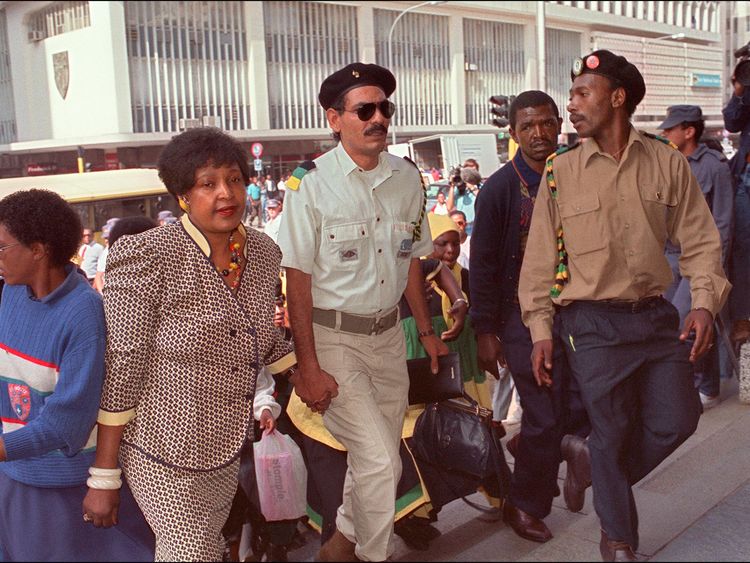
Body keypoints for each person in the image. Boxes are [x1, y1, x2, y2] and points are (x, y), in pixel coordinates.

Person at [519, 50, 730, 561]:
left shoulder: (665, 160)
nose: (571, 105)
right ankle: (619, 541)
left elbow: (701, 242)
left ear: (617, 98)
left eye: (582, 93)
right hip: (590, 323)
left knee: (678, 421)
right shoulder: (559, 172)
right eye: (571, 94)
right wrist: (541, 331)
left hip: (656, 318)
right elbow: (541, 260)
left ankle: (590, 463)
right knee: (610, 430)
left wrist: (703, 304)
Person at [82, 127, 297, 561]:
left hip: (226, 448)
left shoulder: (262, 252)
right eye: (208, 183)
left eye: (234, 179)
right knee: (190, 553)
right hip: (160, 449)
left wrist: (303, 372)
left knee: (208, 550)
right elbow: (125, 365)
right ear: (183, 195)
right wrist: (104, 475)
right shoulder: (145, 255)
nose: (226, 193)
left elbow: (261, 337)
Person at [277, 62, 448, 562]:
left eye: (384, 108)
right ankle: (369, 556)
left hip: (389, 338)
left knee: (374, 461)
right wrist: (307, 365)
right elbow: (298, 282)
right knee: (379, 462)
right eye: (364, 109)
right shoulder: (308, 184)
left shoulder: (407, 178)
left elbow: (413, 261)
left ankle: (337, 547)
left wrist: (427, 328)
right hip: (333, 341)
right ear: (335, 119)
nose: (378, 118)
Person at [0, 189, 154, 561]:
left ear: (38, 250)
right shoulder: (11, 293)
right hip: (13, 476)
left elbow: (66, 424)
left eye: (2, 248)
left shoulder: (84, 312)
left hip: (61, 488)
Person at [471, 90, 590, 544]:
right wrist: (486, 330)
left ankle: (531, 448)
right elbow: (481, 265)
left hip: (574, 312)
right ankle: (525, 505)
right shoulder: (500, 189)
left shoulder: (575, 172)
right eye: (527, 127)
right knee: (543, 414)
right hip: (518, 317)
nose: (539, 134)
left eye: (546, 124)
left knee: (579, 405)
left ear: (559, 123)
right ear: (513, 132)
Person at [660, 104, 735, 409]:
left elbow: (723, 222)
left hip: (698, 260)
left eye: (671, 128)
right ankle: (697, 383)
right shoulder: (667, 163)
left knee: (687, 322)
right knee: (667, 322)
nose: (666, 133)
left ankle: (705, 387)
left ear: (688, 131)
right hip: (667, 257)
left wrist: (714, 270)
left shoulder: (714, 166)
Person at [722, 71, 750, 345]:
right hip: (748, 177)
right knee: (741, 249)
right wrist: (740, 90)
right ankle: (743, 317)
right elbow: (731, 122)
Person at [448, 167, 481, 236]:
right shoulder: (456, 191)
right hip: (461, 225)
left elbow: (483, 200)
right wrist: (452, 186)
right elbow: (449, 208)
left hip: (475, 225)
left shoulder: (476, 188)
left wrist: (471, 187)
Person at [93, 218, 119, 294]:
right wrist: (103, 294)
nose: (106, 240)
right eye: (105, 237)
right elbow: (99, 276)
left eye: (109, 237)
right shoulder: (106, 252)